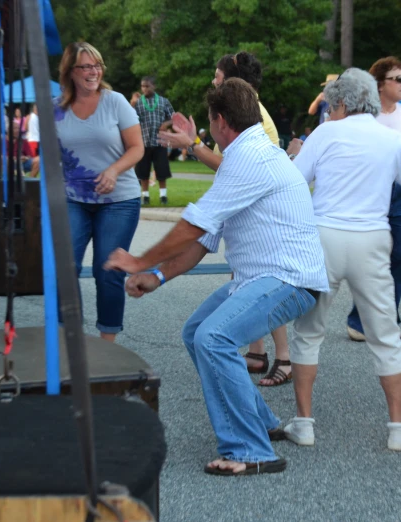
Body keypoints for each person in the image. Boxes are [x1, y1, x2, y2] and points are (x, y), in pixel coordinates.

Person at [105, 78, 329, 476]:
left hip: (288, 278)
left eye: (209, 123)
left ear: (221, 121)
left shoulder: (250, 159)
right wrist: (157, 274)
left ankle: (250, 450)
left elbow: (193, 226)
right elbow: (205, 239)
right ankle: (259, 422)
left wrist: (139, 260)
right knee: (196, 331)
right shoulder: (249, 155)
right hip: (265, 276)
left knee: (215, 337)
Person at [283, 68, 401, 451]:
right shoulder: (392, 139)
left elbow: (293, 181)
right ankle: (398, 426)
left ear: (340, 102)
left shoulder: (324, 133)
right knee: (385, 334)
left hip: (324, 235)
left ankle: (304, 423)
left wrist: (294, 154)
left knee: (309, 332)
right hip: (372, 237)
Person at [159, 51, 291, 387]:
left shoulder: (251, 116)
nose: (214, 82)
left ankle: (285, 358)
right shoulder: (245, 112)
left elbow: (229, 167)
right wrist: (196, 142)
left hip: (260, 216)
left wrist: (191, 146)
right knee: (249, 280)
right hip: (251, 210)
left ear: (234, 80)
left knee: (262, 284)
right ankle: (258, 353)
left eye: (218, 77)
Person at [54, 42, 144, 342]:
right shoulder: (56, 108)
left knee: (107, 270)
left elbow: (137, 148)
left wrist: (113, 170)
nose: (93, 72)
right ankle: (71, 342)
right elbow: (55, 154)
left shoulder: (115, 101)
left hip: (118, 201)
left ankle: (108, 345)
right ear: (70, 71)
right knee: (64, 268)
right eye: (86, 67)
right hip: (73, 199)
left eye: (97, 66)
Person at [345, 56, 401, 342]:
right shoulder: (366, 117)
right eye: (399, 79)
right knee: (368, 259)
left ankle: (389, 319)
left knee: (398, 259)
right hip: (369, 194)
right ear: (380, 85)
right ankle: (359, 321)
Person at [135, 76, 174, 205]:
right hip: (144, 142)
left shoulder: (163, 101)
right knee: (143, 171)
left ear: (154, 86)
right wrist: (131, 104)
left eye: (147, 86)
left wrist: (166, 124)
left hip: (159, 142)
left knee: (161, 170)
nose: (144, 89)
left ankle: (163, 196)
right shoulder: (138, 102)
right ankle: (145, 196)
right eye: (142, 86)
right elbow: (130, 119)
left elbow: (173, 118)